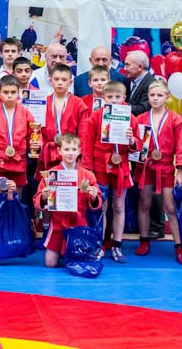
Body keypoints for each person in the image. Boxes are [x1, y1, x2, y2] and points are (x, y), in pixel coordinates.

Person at [133, 80, 182, 266]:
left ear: (167, 97)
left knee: (170, 207)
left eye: (159, 95)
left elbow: (181, 147)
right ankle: (144, 240)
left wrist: (180, 170)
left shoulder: (176, 119)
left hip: (166, 167)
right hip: (146, 167)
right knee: (144, 204)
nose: (155, 98)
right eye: (152, 95)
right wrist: (132, 143)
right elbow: (136, 145)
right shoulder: (141, 119)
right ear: (148, 97)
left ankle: (179, 247)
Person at [81, 80, 139, 263]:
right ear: (103, 98)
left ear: (124, 97)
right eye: (110, 97)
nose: (114, 100)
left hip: (121, 165)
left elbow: (138, 145)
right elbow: (87, 144)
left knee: (119, 206)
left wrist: (131, 140)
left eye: (117, 96)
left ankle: (117, 245)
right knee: (101, 207)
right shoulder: (96, 116)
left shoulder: (130, 117)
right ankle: (99, 245)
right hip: (100, 167)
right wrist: (88, 171)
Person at [33, 133, 101, 268]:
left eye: (74, 149)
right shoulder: (51, 174)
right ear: (59, 151)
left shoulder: (87, 175)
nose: (70, 153)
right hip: (58, 224)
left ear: (79, 151)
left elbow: (97, 204)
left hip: (79, 224)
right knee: (50, 263)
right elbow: (37, 202)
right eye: (66, 149)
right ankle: (62, 251)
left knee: (79, 261)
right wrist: (44, 197)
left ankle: (69, 252)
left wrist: (93, 196)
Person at [0, 76, 35, 189]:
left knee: (16, 196)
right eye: (6, 92)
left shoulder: (26, 113)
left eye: (13, 92)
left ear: (18, 92)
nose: (10, 95)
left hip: (18, 161)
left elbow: (33, 135)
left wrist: (35, 145)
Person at [38, 64, 88, 171]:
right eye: (56, 79)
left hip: (71, 154)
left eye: (64, 80)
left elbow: (83, 133)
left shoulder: (79, 103)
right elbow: (37, 130)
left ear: (71, 82)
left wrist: (80, 154)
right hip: (49, 153)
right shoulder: (43, 102)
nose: (60, 83)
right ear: (50, 81)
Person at [123, 50, 154, 116]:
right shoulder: (127, 81)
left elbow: (143, 109)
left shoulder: (151, 84)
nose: (124, 68)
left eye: (127, 65)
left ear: (140, 67)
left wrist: (119, 108)